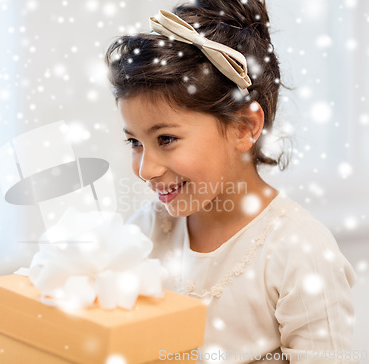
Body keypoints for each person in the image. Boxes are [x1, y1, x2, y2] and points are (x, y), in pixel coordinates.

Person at [105, 1, 358, 363]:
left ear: (244, 128)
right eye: (134, 142)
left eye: (165, 139)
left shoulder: (298, 252)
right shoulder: (146, 233)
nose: (145, 169)